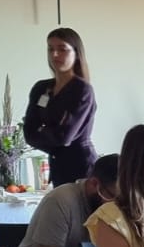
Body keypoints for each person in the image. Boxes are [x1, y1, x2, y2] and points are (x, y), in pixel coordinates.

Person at [13, 154, 119, 247]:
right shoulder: (62, 200)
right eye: (113, 197)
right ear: (94, 184)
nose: (118, 206)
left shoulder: (116, 206)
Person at [22, 28, 97, 186]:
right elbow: (29, 133)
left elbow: (64, 137)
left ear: (76, 53)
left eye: (62, 49)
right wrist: (51, 135)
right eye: (51, 49)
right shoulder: (41, 88)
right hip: (57, 166)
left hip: (81, 169)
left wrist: (42, 130)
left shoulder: (82, 90)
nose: (55, 54)